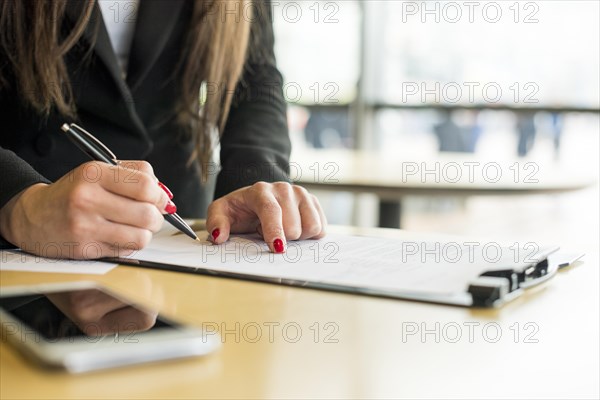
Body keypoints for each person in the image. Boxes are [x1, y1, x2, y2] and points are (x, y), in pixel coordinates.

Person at [0, 0, 327, 259]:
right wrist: (17, 205)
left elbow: (253, 79)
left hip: (178, 223)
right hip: (32, 224)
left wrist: (255, 182)